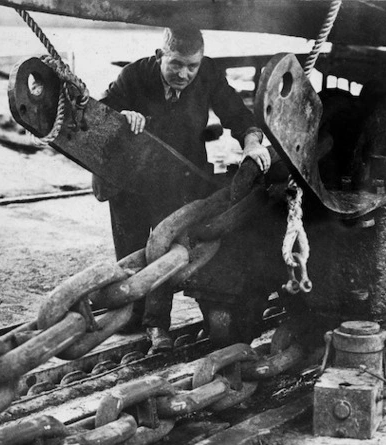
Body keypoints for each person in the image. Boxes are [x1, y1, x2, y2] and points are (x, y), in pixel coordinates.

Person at [94, 25, 271, 353]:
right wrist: (122, 116)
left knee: (166, 244)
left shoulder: (208, 74)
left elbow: (237, 113)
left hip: (177, 178)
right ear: (160, 55)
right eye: (176, 64)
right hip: (129, 181)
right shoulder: (134, 76)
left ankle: (157, 325)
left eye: (192, 66)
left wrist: (251, 144)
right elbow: (100, 115)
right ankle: (133, 316)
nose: (185, 73)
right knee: (131, 247)